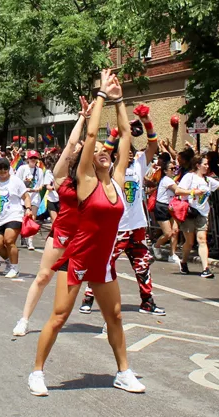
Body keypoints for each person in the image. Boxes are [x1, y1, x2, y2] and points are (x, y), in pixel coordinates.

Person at [28, 70, 145, 396]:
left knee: (115, 316)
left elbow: (125, 134)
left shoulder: (117, 181)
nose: (103, 152)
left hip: (103, 263)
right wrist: (101, 96)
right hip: (76, 259)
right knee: (59, 316)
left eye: (108, 151)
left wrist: (120, 100)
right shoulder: (86, 182)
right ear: (88, 160)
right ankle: (37, 372)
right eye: (96, 151)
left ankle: (123, 371)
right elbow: (92, 133)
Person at [11, 98, 90, 336]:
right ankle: (24, 319)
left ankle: (110, 319)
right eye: (74, 150)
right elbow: (72, 142)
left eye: (81, 150)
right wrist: (82, 118)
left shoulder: (93, 178)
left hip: (86, 236)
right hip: (62, 233)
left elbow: (93, 143)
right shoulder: (60, 174)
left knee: (96, 280)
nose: (76, 150)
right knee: (44, 276)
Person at [79, 104, 164, 316]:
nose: (131, 155)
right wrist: (117, 131)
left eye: (132, 153)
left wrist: (147, 122)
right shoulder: (110, 169)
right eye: (127, 152)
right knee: (104, 263)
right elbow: (105, 150)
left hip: (137, 226)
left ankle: (147, 301)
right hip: (116, 228)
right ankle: (89, 297)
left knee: (142, 264)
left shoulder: (139, 166)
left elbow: (153, 146)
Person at [15, 150, 44, 251]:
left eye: (35, 158)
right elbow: (17, 182)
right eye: (31, 158)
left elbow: (41, 186)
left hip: (35, 197)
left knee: (32, 218)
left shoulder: (40, 171)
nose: (33, 160)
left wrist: (34, 190)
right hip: (23, 197)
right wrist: (24, 189)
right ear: (28, 159)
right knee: (22, 219)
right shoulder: (22, 169)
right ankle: (23, 235)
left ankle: (30, 241)